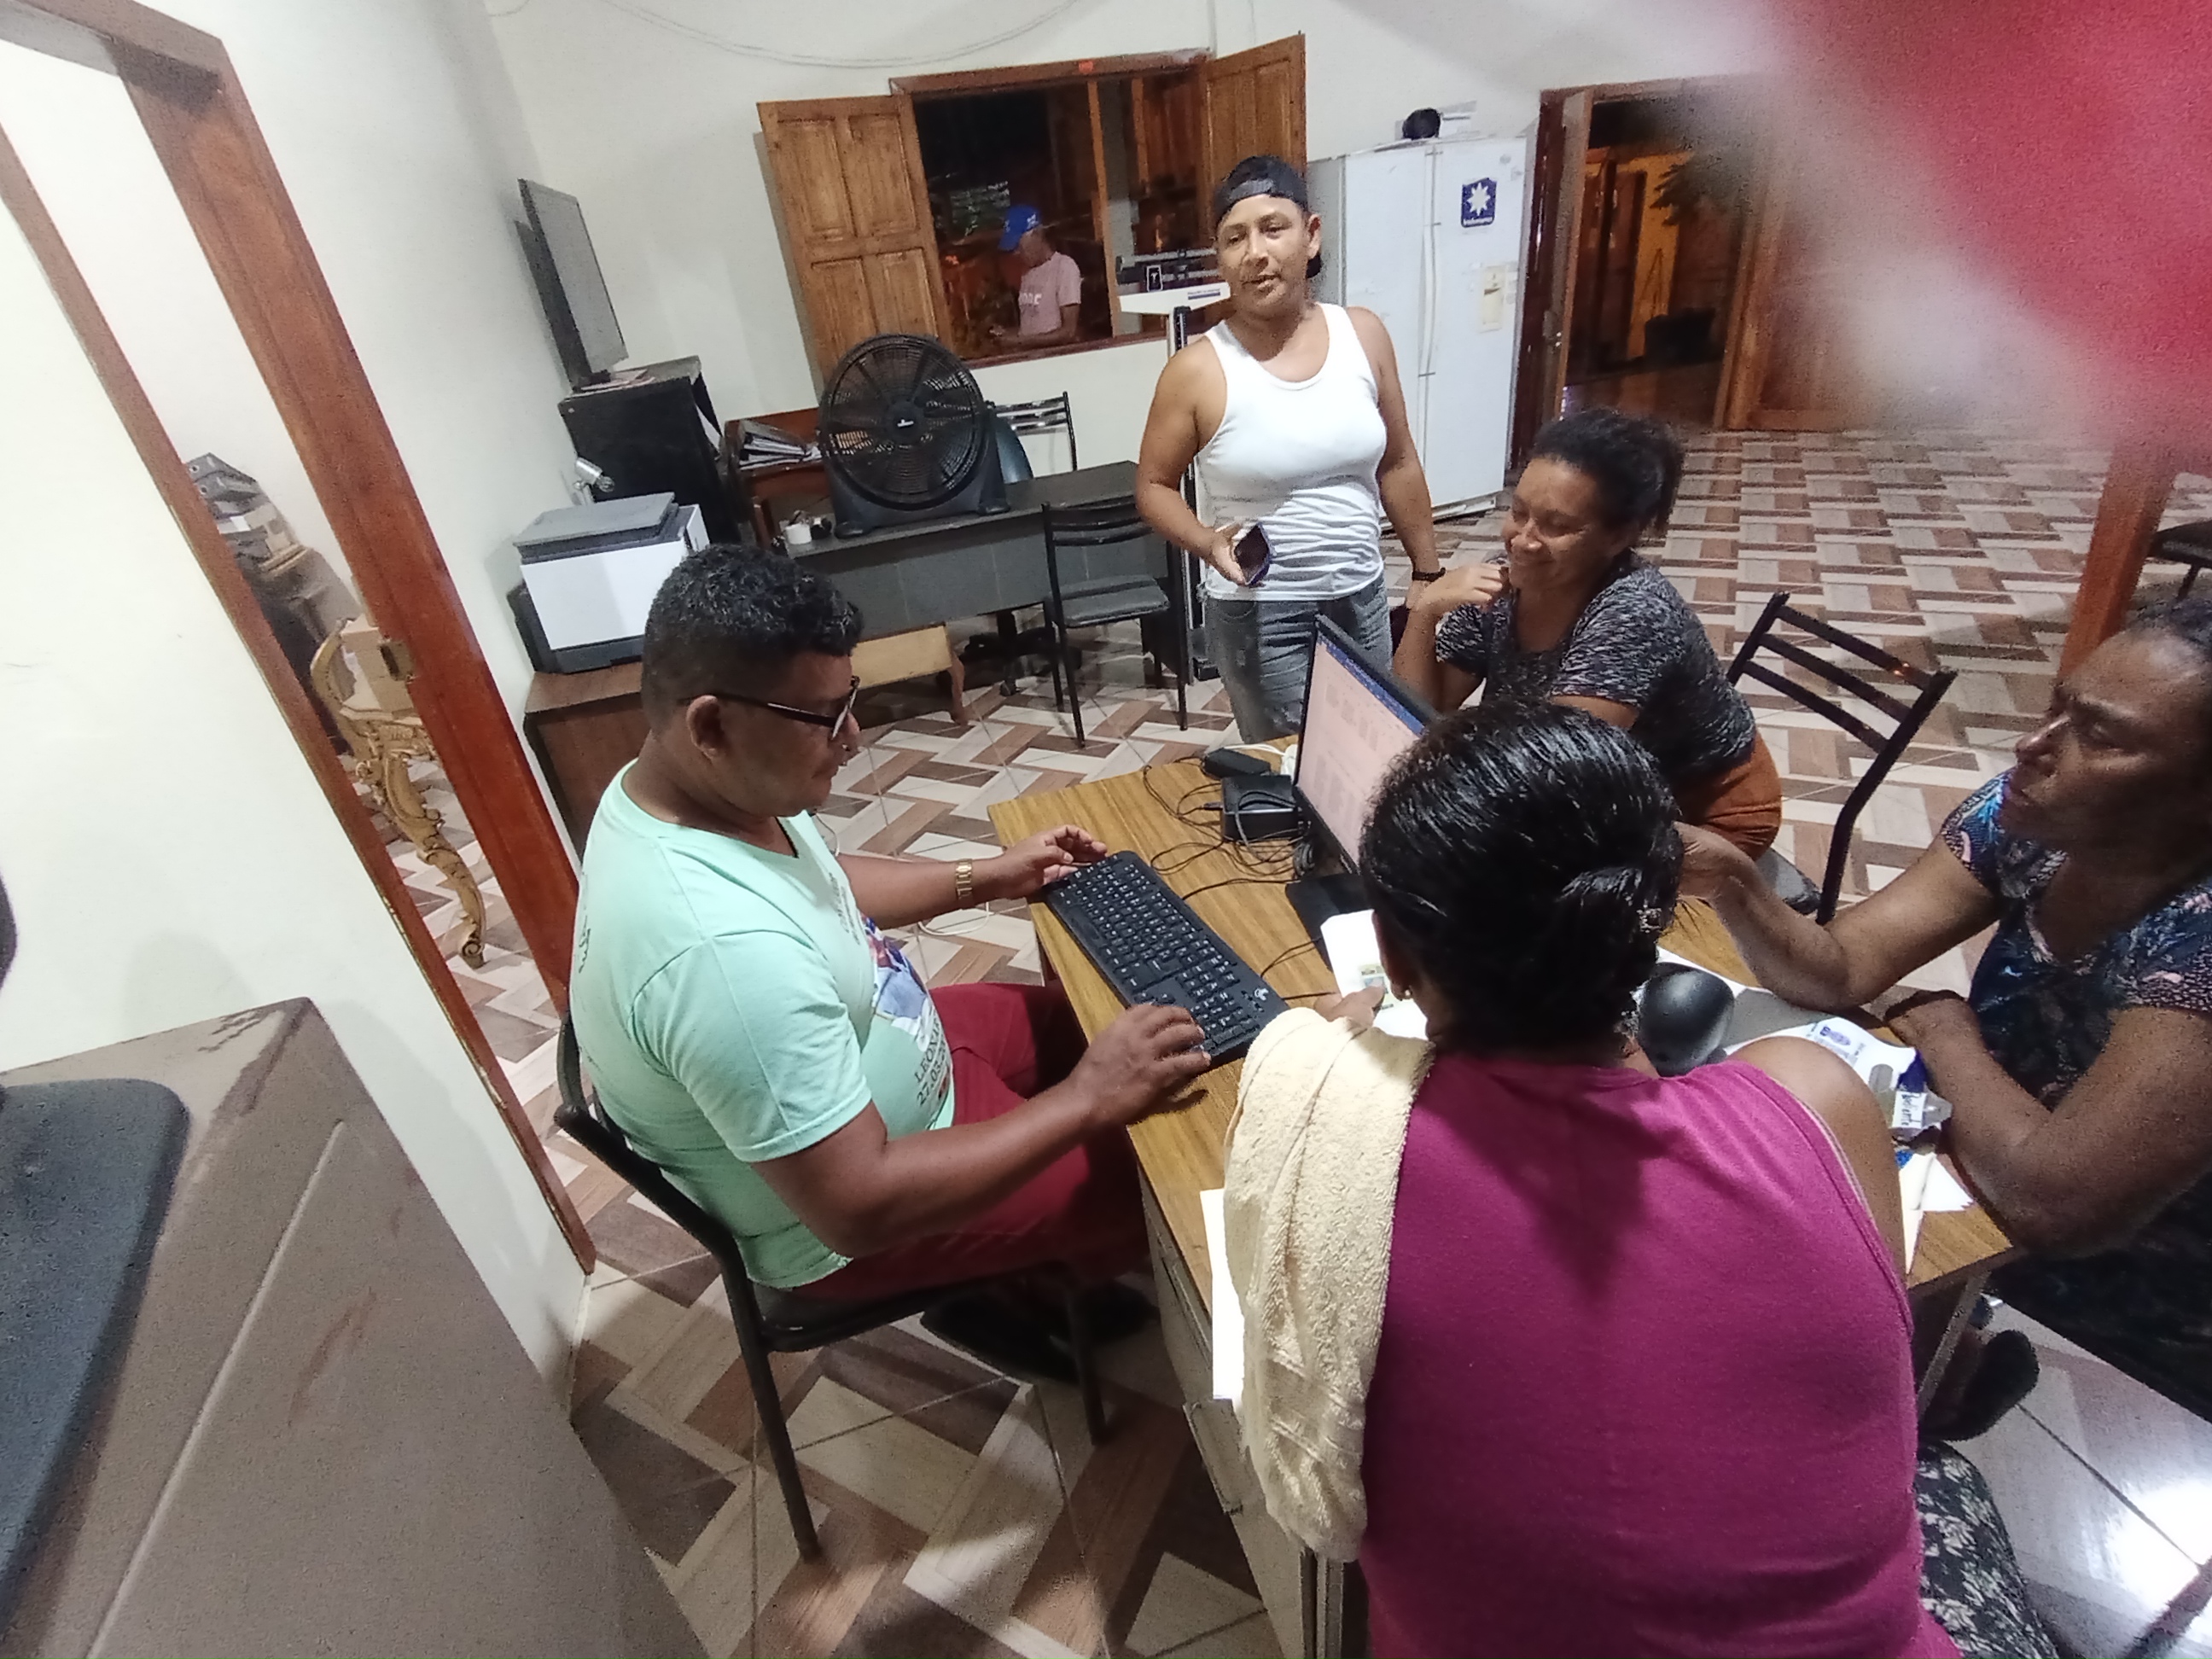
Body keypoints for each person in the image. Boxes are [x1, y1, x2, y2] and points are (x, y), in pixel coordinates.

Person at [1227, 703, 2054, 1659]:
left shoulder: (1332, 1112)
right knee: (1938, 1472)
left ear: (1395, 955)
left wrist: (1347, 1046)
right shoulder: (1820, 1098)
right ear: (1647, 929)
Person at [568, 544, 1209, 1375]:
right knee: (1155, 1179)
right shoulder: (719, 957)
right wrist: (1086, 1100)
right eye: (824, 717)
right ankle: (1002, 1292)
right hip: (856, 1213)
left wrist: (986, 877)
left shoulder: (682, 789)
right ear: (711, 725)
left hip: (893, 1046)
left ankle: (1031, 1258)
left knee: (1099, 1016)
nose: (854, 736)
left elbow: (822, 881)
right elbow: (857, 1208)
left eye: (849, 702)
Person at [1679, 597, 2212, 1423]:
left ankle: (1943, 1383)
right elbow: (1843, 967)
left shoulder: (2197, 941)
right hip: (1984, 1154)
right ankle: (1945, 1370)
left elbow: (2057, 1203)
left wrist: (1944, 1030)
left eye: (2100, 737)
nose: (2035, 746)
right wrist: (1735, 883)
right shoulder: (2026, 817)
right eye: (2059, 707)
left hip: (2124, 1289)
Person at [1136, 154, 1444, 741]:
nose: (1255, 252)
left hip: (1360, 595)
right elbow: (1153, 486)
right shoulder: (1196, 370)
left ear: (1311, 235)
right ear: (1221, 259)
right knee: (1291, 765)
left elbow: (1398, 461)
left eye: (1273, 228)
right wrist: (1206, 541)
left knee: (1369, 750)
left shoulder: (1364, 335)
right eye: (1235, 238)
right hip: (1259, 612)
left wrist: (1427, 570)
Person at [1392, 408, 1784, 856]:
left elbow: (1556, 774)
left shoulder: (1633, 613)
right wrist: (1424, 613)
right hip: (1604, 792)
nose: (1523, 540)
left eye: (1557, 526)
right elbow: (1420, 711)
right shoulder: (1502, 583)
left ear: (1619, 537)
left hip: (1701, 811)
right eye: (1519, 512)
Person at [991, 205, 1083, 348]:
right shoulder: (1027, 273)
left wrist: (1020, 342)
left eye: (1019, 246)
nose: (1017, 253)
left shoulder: (1064, 267)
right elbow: (1032, 330)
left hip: (1055, 359)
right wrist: (1008, 334)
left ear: (1037, 234)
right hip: (1032, 359)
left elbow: (1069, 332)